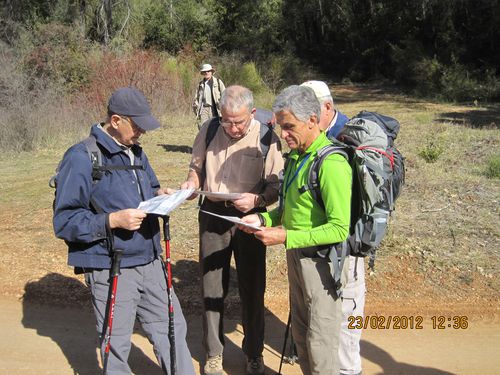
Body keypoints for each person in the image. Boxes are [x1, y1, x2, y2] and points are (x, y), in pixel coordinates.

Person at [53, 87, 195, 375]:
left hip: (151, 259)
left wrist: (162, 194)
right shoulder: (81, 157)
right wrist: (111, 221)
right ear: (115, 120)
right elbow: (65, 221)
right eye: (137, 124)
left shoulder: (135, 152)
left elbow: (148, 190)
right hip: (112, 266)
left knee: (172, 328)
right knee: (116, 345)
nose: (142, 131)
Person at [240, 85, 352, 375]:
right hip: (297, 257)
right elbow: (286, 211)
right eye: (280, 127)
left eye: (289, 127)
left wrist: (286, 236)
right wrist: (263, 219)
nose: (284, 135)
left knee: (320, 343)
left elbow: (340, 229)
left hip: (322, 266)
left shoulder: (332, 164)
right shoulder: (297, 158)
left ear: (312, 120)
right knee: (301, 337)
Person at [180, 85, 284, 375]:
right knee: (211, 288)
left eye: (238, 121)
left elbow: (276, 185)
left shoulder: (266, 136)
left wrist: (258, 200)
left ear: (252, 113)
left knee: (253, 288)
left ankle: (254, 354)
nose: (233, 127)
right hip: (212, 214)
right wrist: (191, 183)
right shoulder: (210, 129)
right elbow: (195, 167)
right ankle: (213, 353)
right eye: (227, 120)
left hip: (249, 218)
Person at [302, 80, 365, 375]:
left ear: (327, 107)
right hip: (321, 246)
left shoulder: (347, 139)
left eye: (310, 111)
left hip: (347, 246)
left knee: (347, 326)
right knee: (324, 322)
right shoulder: (317, 135)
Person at [193, 63, 226, 128]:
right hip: (204, 109)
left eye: (208, 71)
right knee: (203, 127)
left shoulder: (218, 82)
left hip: (215, 108)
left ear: (211, 72)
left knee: (216, 127)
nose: (206, 73)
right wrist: (196, 108)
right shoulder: (200, 84)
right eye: (204, 71)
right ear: (202, 73)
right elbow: (196, 98)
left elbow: (225, 94)